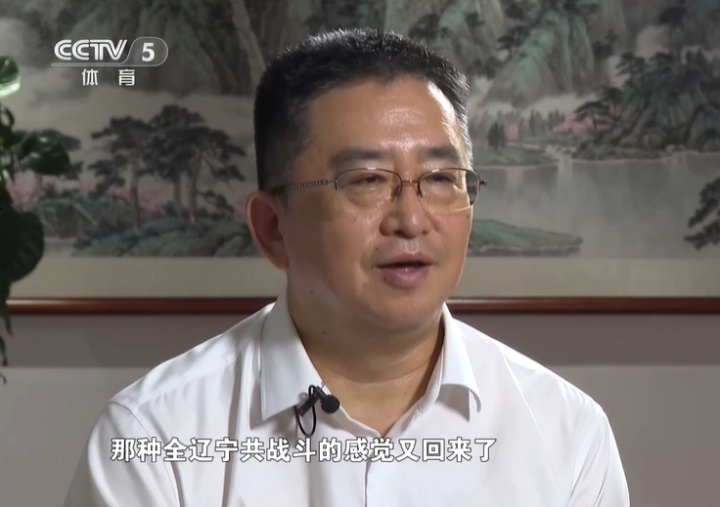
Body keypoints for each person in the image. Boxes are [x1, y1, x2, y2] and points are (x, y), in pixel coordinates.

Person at [63, 28, 630, 506]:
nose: (411, 220)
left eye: (440, 178)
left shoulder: (566, 434)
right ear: (273, 228)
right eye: (367, 181)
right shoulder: (155, 440)